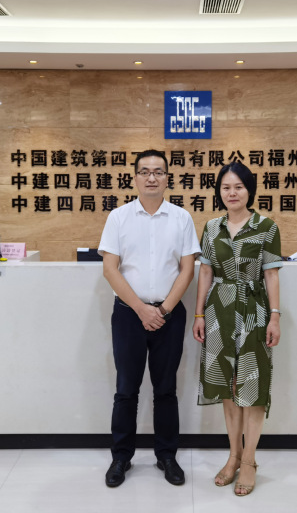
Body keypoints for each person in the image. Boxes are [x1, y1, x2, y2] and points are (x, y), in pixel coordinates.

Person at [98, 149, 201, 488]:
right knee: (126, 390)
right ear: (135, 178)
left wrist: (164, 309)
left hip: (169, 316)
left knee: (166, 389)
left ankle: (167, 456)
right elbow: (110, 269)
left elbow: (187, 269)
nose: (152, 177)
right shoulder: (119, 217)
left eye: (158, 171)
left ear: (167, 178)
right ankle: (121, 457)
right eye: (145, 171)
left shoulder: (181, 218)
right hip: (129, 315)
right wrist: (141, 309)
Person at [192, 160, 283, 496]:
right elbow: (205, 272)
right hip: (218, 312)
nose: (232, 193)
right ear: (219, 192)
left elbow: (271, 274)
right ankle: (232, 456)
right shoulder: (211, 227)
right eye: (226, 187)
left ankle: (249, 461)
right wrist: (199, 314)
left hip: (254, 312)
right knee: (227, 388)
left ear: (249, 191)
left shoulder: (266, 227)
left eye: (238, 187)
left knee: (251, 387)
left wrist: (275, 316)